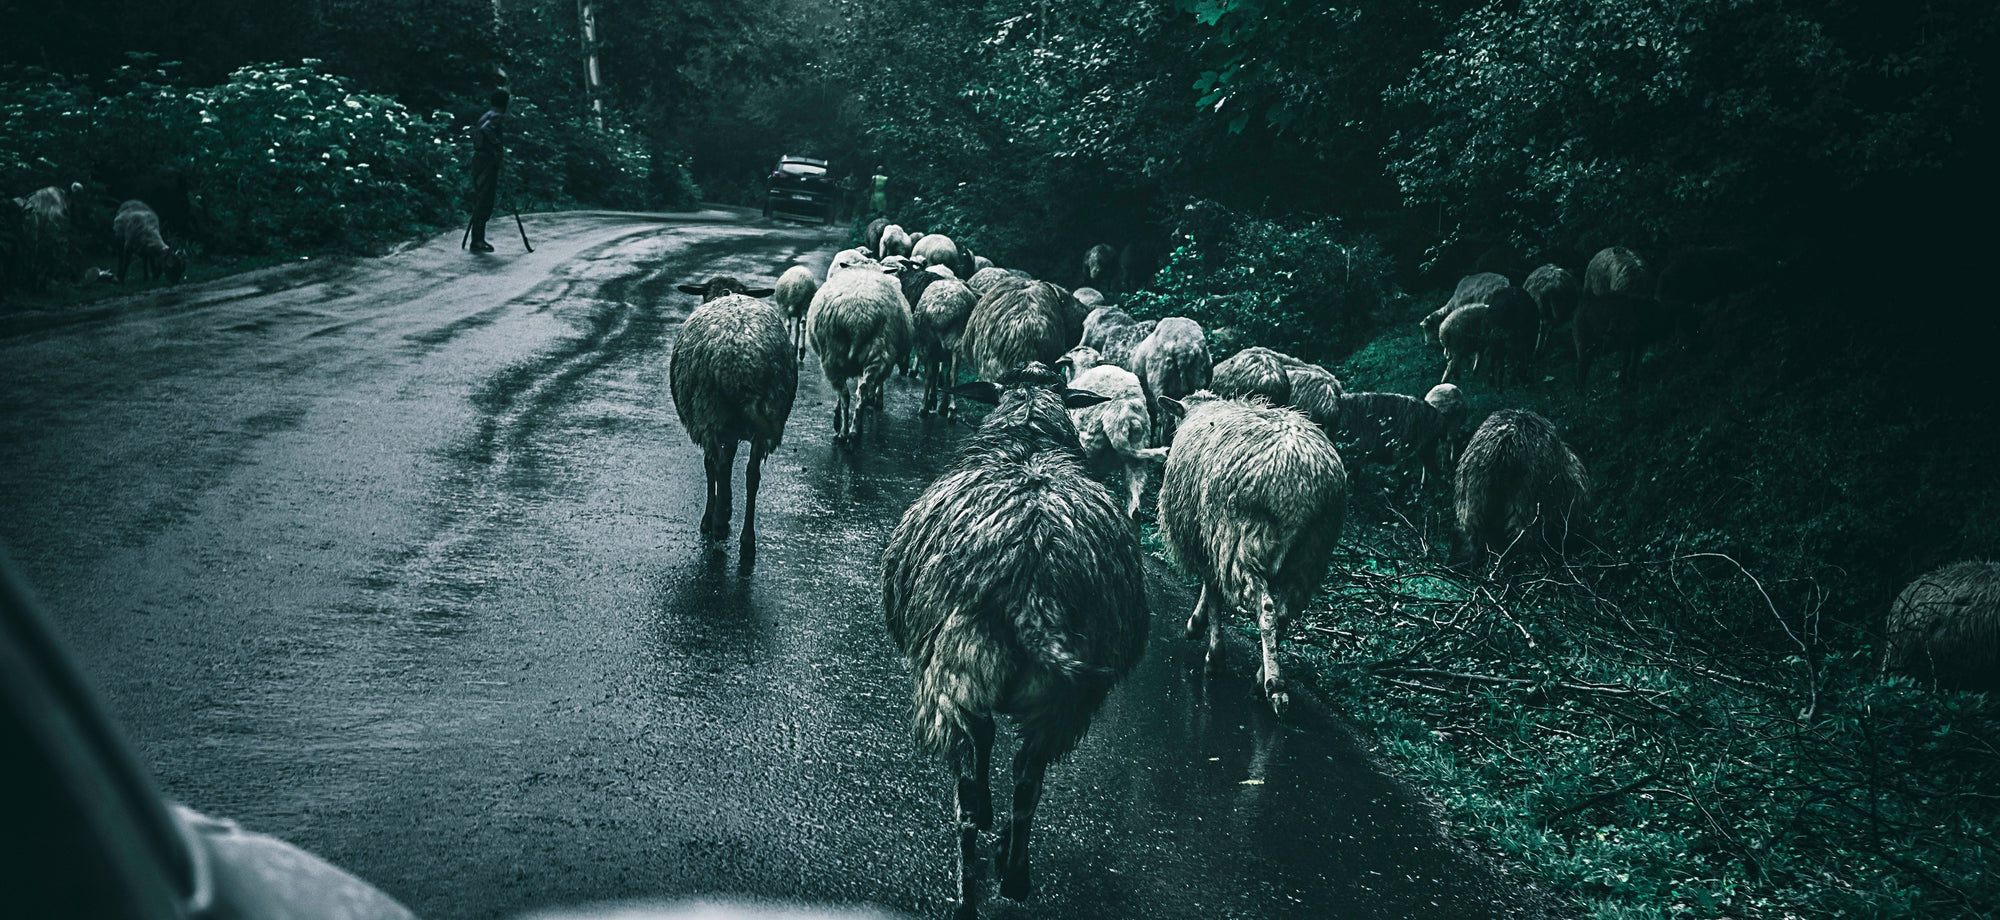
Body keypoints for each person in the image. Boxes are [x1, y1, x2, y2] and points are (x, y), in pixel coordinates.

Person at [467, 89, 509, 253]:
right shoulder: (496, 116)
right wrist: (497, 146)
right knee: (485, 199)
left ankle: (477, 238)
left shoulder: (487, 114)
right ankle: (477, 240)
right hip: (486, 160)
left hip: (479, 158)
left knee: (481, 197)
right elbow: (486, 130)